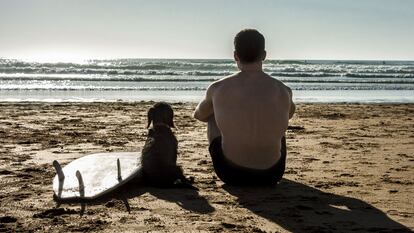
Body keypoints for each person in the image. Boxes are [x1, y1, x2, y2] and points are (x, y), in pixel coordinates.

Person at [193, 29, 295, 186]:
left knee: (212, 115)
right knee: (277, 118)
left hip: (232, 174)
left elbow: (199, 115)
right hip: (273, 174)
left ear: (235, 55)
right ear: (264, 55)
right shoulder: (284, 90)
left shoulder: (218, 88)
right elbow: (289, 114)